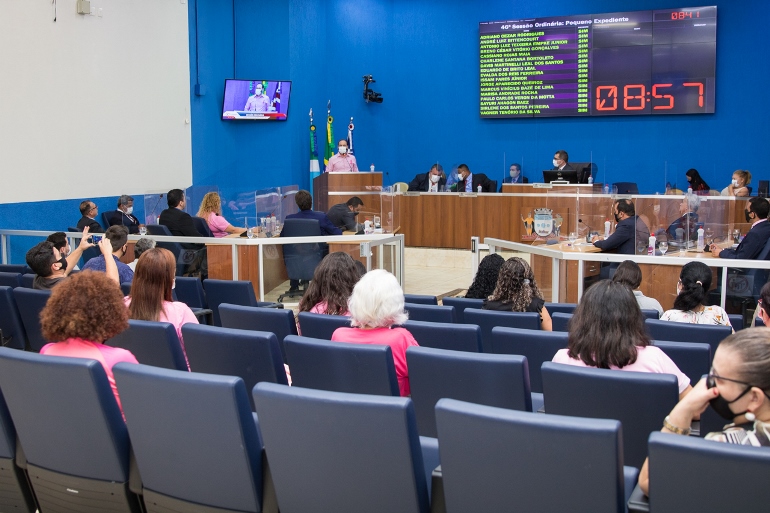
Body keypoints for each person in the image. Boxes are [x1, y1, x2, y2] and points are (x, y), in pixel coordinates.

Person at [637, 328, 770, 495]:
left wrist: (682, 410)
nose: (709, 383)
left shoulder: (724, 447)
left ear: (755, 398)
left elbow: (649, 481)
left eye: (719, 378)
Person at [552, 280, 691, 398]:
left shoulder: (562, 359)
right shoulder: (654, 358)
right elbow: (694, 409)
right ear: (633, 317)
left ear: (582, 317)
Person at [39, 271, 138, 411]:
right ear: (112, 313)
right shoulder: (119, 359)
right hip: (119, 432)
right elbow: (142, 405)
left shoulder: (46, 351)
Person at [331, 269, 418, 396]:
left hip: (348, 413)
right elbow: (424, 379)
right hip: (392, 413)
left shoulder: (339, 336)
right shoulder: (401, 338)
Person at [124, 248, 198, 369]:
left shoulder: (122, 305)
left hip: (134, 378)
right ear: (168, 278)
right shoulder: (180, 311)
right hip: (178, 381)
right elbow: (198, 354)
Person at [283, 190, 342, 292]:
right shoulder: (321, 217)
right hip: (316, 256)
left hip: (295, 259)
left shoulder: (290, 219)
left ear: (297, 204)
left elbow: (282, 236)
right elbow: (337, 233)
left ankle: (294, 285)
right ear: (311, 202)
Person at [26, 227, 118, 289]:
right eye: (59, 255)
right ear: (56, 266)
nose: (63, 258)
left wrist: (80, 248)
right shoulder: (72, 287)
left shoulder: (38, 279)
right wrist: (108, 254)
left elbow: (63, 270)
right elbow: (113, 286)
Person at [482, 257, 553, 331]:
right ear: (529, 279)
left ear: (501, 280)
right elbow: (550, 335)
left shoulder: (488, 306)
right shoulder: (536, 307)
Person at [660, 261, 733, 329]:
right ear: (708, 287)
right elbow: (731, 342)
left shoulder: (669, 316)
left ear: (680, 285)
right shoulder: (718, 313)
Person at [159, 189, 207, 277]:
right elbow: (196, 238)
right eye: (184, 198)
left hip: (171, 253)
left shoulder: (164, 214)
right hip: (185, 255)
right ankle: (204, 283)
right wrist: (206, 240)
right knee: (207, 249)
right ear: (181, 202)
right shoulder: (183, 217)